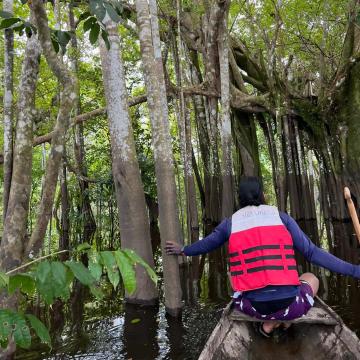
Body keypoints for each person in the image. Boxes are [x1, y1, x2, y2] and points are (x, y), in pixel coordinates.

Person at [165, 176, 360, 337]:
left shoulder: (230, 223)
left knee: (234, 276)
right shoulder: (282, 217)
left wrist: (183, 249)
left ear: (239, 199)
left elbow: (206, 244)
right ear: (262, 195)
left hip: (253, 307)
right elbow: (312, 253)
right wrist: (354, 270)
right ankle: (282, 322)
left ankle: (268, 325)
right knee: (311, 279)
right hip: (291, 306)